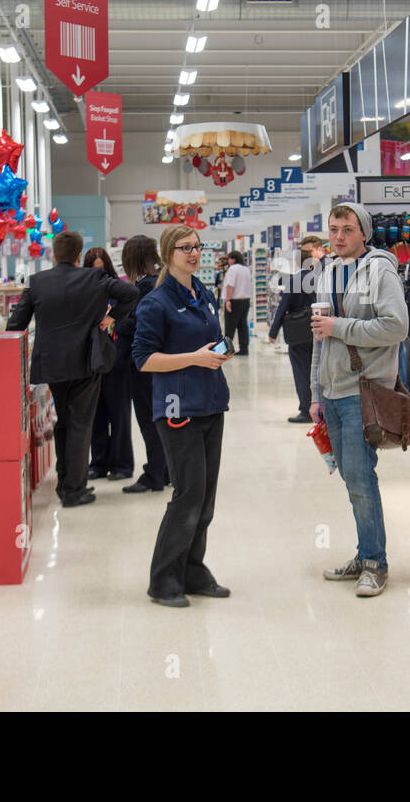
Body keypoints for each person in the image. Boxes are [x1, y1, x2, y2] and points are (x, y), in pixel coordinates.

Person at [310, 203, 409, 598]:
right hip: (332, 392)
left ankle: (375, 564)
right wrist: (315, 394)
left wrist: (340, 326)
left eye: (347, 229)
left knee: (361, 480)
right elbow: (320, 333)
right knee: (352, 478)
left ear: (363, 232)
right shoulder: (329, 270)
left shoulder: (380, 269)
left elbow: (396, 326)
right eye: (334, 229)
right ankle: (365, 551)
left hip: (362, 390)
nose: (338, 236)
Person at [133, 226, 233, 606]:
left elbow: (207, 339)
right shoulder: (156, 303)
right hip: (177, 408)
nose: (193, 253)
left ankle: (193, 570)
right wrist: (194, 358)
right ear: (168, 253)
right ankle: (163, 578)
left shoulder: (202, 292)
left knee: (205, 497)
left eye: (197, 247)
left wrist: (217, 354)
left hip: (210, 402)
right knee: (188, 494)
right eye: (185, 248)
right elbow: (144, 359)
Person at [6, 231, 139, 508]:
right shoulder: (95, 278)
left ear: (54, 254)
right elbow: (131, 293)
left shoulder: (37, 282)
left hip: (50, 363)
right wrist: (109, 319)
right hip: (85, 360)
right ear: (80, 256)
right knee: (80, 423)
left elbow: (15, 324)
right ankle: (74, 490)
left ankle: (65, 482)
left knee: (64, 422)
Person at [116, 235, 171, 494]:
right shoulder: (164, 283)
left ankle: (154, 474)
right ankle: (167, 470)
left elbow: (138, 325)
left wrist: (114, 322)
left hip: (144, 363)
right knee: (161, 417)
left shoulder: (143, 288)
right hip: (164, 361)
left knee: (149, 419)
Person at [83, 247, 133, 482]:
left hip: (118, 358)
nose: (97, 275)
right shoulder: (82, 291)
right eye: (93, 270)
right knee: (96, 415)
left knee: (120, 414)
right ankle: (99, 462)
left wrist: (112, 319)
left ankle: (122, 464)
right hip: (92, 360)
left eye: (101, 270)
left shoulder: (119, 290)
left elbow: (131, 318)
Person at [268, 235, 326, 423]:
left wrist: (273, 332)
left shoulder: (295, 280)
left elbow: (283, 307)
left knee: (302, 371)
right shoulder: (320, 278)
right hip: (318, 329)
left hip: (298, 334)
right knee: (317, 370)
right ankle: (320, 407)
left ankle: (305, 409)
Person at [220, 251, 252, 355]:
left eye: (229, 258)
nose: (228, 261)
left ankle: (227, 349)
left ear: (233, 259)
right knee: (243, 325)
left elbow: (230, 285)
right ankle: (244, 349)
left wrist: (228, 300)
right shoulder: (246, 269)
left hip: (234, 301)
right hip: (245, 301)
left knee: (230, 326)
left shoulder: (233, 269)